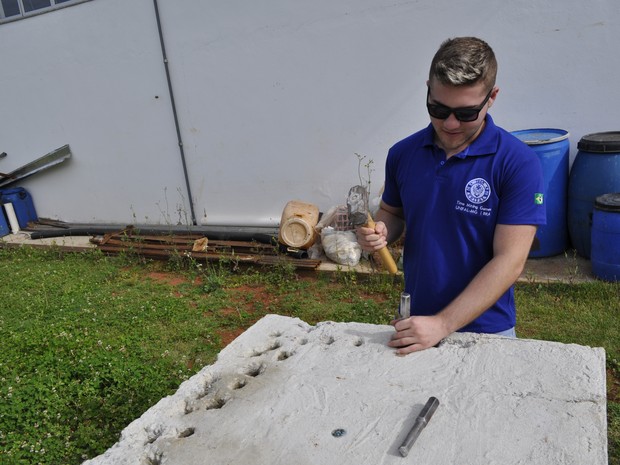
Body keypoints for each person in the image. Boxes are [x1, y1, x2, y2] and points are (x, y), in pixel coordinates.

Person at [356, 37, 546, 354]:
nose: (450, 123)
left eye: (467, 113)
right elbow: (394, 212)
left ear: (492, 97)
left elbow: (510, 261)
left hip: (488, 333)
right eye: (438, 108)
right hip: (416, 324)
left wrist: (443, 324)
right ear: (428, 89)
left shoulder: (517, 163)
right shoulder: (404, 154)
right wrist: (383, 231)